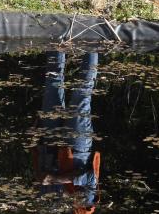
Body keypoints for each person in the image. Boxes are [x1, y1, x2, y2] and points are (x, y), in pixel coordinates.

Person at [33, 51, 101, 214]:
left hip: (49, 143)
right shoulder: (85, 209)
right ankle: (92, 42)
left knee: (52, 83)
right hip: (77, 146)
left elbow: (40, 175)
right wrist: (56, 179)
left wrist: (35, 140)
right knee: (82, 91)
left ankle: (58, 41)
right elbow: (90, 178)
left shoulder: (47, 206)